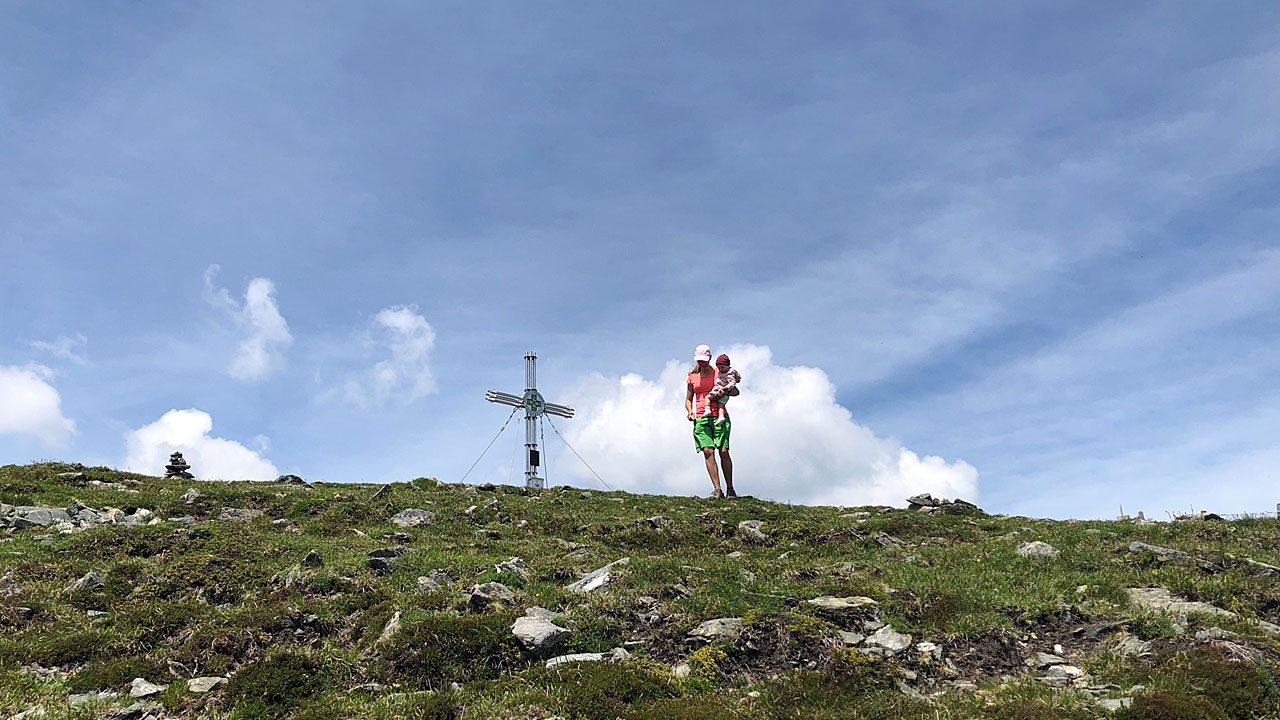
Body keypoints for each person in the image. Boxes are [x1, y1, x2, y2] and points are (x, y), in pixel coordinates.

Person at [685, 344, 738, 498]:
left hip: (719, 415)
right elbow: (688, 399)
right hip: (701, 417)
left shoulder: (719, 373)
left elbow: (736, 391)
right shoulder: (692, 376)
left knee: (723, 451)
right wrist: (690, 412)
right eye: (699, 360)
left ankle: (730, 488)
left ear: (709, 358)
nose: (702, 363)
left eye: (704, 360)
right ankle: (717, 489)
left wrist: (726, 390)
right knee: (708, 451)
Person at [701, 353, 741, 426]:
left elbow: (733, 383)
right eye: (719, 368)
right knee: (721, 405)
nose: (720, 369)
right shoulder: (724, 371)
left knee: (707, 397)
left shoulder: (729, 373)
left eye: (722, 367)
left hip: (721, 389)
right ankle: (721, 417)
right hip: (721, 389)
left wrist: (726, 389)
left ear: (728, 366)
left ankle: (707, 409)